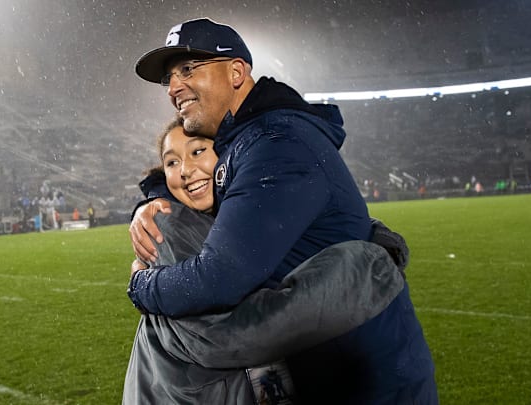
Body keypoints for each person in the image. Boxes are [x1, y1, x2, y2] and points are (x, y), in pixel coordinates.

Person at [128, 18, 436, 404]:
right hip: (333, 366)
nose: (173, 87)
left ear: (237, 72)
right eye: (169, 78)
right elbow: (210, 187)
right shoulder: (250, 140)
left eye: (188, 69)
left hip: (363, 381)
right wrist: (154, 198)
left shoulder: (274, 143)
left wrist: (141, 285)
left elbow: (218, 279)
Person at [124, 119, 407, 404]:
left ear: (227, 155)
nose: (185, 170)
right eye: (171, 162)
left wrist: (370, 231)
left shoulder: (230, 216)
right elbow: (227, 334)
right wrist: (374, 265)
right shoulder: (165, 224)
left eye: (197, 152)